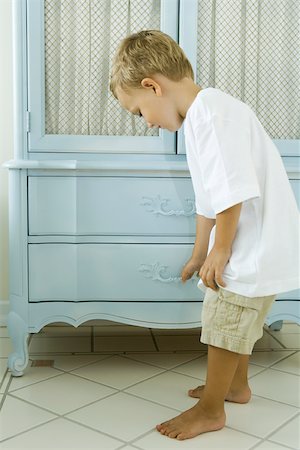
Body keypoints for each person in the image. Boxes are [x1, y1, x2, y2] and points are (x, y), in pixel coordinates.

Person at [110, 30, 300, 440]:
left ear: (152, 86)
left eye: (140, 111)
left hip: (252, 243)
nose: (147, 122)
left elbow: (232, 188)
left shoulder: (211, 113)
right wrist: (201, 252)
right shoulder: (202, 118)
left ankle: (211, 410)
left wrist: (223, 250)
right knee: (240, 321)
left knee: (224, 320)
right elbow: (209, 199)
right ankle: (235, 386)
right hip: (251, 241)